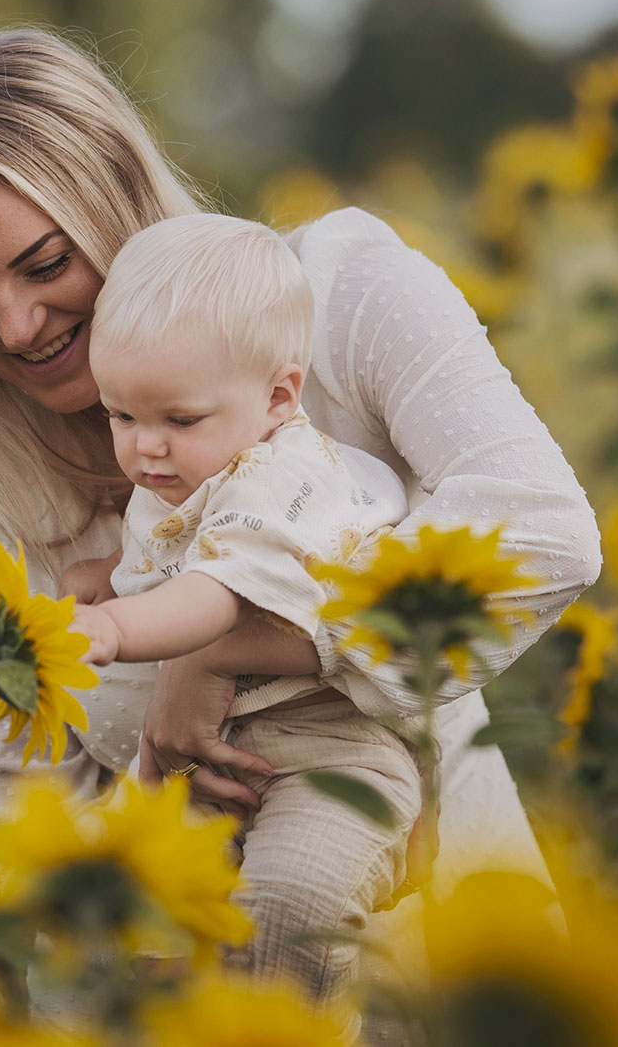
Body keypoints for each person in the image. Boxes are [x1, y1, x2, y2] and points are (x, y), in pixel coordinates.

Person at [0, 27, 601, 979]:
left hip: (454, 950)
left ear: (115, 200)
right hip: (172, 980)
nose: (15, 323)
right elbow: (19, 800)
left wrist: (220, 645)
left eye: (47, 266)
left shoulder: (336, 298)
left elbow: (543, 534)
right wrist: (162, 817)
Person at [61, 211, 423, 998]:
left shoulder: (284, 479)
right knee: (131, 934)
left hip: (327, 754)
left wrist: (114, 627)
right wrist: (110, 573)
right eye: (120, 414)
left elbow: (216, 596)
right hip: (211, 760)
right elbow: (168, 552)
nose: (143, 446)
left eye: (176, 419)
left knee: (289, 916)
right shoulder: (188, 466)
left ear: (278, 397)